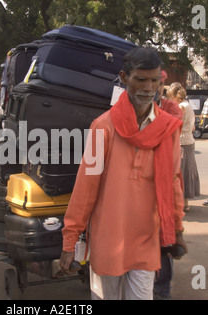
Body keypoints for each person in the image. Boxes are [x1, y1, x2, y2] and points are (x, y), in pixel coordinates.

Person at [60, 47, 187, 300]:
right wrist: (70, 241)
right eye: (141, 79)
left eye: (155, 80)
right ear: (124, 77)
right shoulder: (102, 127)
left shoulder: (167, 128)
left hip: (146, 239)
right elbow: (85, 189)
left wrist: (177, 230)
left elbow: (173, 182)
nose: (149, 88)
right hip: (108, 239)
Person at [153, 71, 183, 300]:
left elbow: (173, 125)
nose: (153, 87)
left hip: (167, 182)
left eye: (158, 82)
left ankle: (162, 292)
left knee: (165, 243)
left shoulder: (171, 108)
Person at [166, 82, 200, 212]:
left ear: (176, 96)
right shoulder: (188, 105)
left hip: (181, 143)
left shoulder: (180, 107)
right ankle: (185, 203)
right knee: (186, 171)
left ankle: (180, 203)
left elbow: (172, 125)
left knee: (179, 173)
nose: (169, 99)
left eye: (170, 96)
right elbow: (193, 127)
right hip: (189, 141)